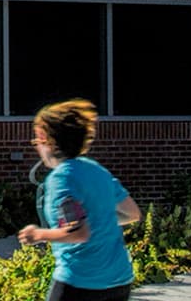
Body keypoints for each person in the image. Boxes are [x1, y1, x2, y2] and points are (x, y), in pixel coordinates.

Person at [17, 99, 140, 301]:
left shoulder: (62, 179)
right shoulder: (97, 171)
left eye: (36, 141)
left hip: (81, 282)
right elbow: (132, 213)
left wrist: (38, 234)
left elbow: (78, 233)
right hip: (118, 280)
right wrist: (100, 219)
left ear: (44, 138)